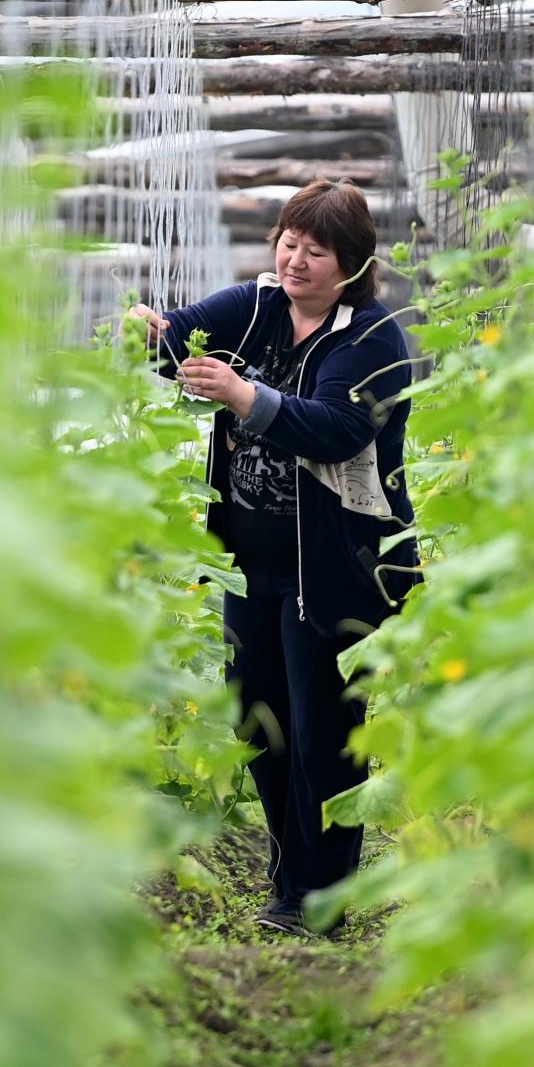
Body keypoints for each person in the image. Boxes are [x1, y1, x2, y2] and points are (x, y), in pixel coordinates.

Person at [128, 181, 420, 937]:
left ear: (351, 266)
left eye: (314, 251)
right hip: (252, 564)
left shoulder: (373, 339)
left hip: (336, 567)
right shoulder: (254, 307)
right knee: (262, 721)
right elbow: (178, 339)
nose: (294, 259)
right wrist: (149, 330)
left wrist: (242, 394)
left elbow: (337, 430)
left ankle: (316, 900)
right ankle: (292, 882)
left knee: (324, 730)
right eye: (289, 242)